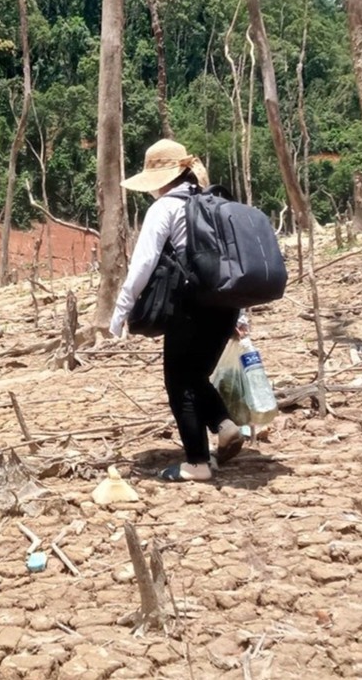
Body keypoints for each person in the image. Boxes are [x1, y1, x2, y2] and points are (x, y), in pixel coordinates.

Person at [108, 139, 245, 482]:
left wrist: (119, 313)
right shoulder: (215, 202)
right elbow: (232, 263)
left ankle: (197, 463)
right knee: (196, 376)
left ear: (161, 179)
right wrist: (240, 316)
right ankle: (225, 426)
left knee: (179, 382)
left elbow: (142, 265)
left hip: (192, 307)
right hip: (226, 305)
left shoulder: (165, 208)